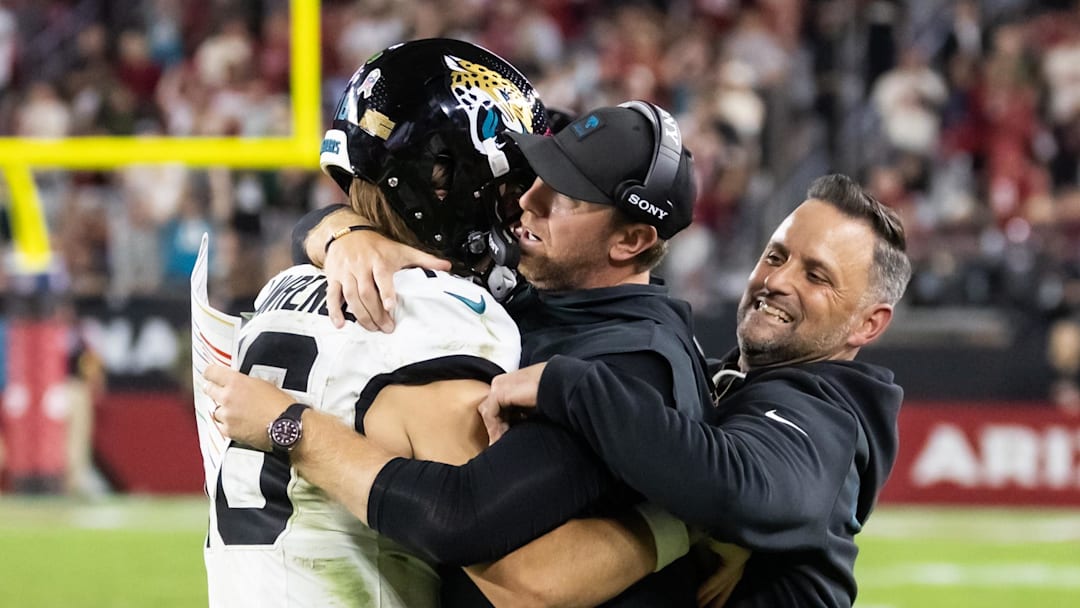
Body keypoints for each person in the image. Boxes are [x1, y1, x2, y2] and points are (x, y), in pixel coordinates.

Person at [205, 99, 731, 606]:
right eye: (538, 177)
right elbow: (312, 229)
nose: (528, 202)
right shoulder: (546, 291)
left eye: (566, 196)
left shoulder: (634, 362)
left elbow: (490, 544)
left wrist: (291, 426)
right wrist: (344, 234)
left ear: (631, 240)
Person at [199, 38, 548, 608]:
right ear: (446, 181)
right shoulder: (434, 315)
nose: (517, 209)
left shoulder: (283, 287)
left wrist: (339, 230)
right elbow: (511, 570)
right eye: (508, 189)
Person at [479, 173, 912, 607]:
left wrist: (568, 384)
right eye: (776, 256)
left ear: (868, 323)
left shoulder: (825, 422)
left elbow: (738, 488)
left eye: (817, 276)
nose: (777, 281)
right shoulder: (720, 382)